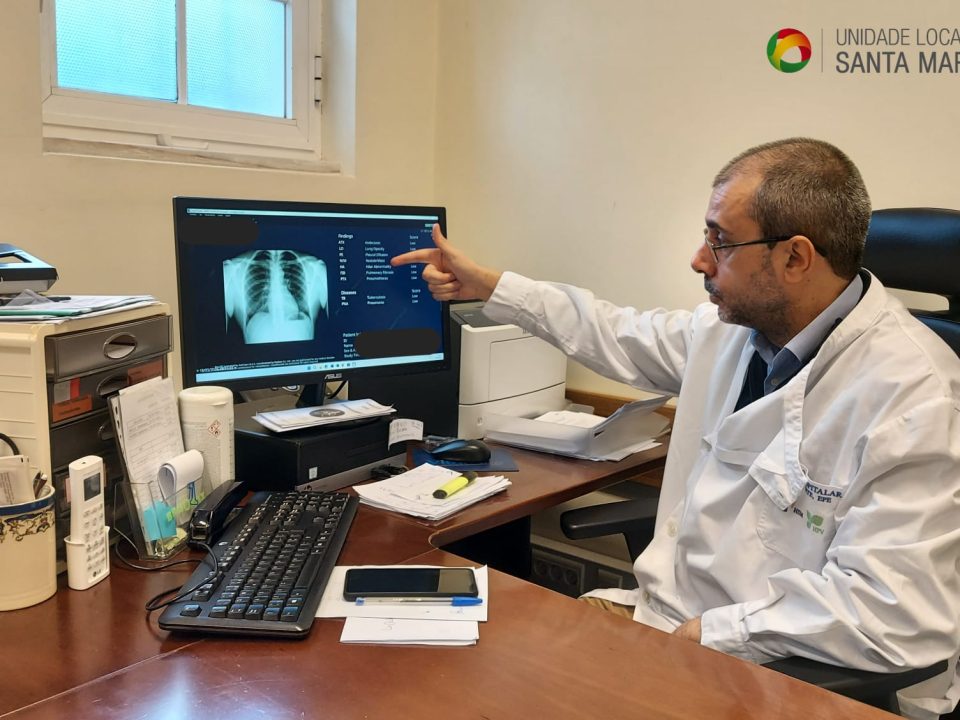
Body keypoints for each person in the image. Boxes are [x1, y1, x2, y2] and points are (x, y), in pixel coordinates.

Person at [391, 138, 960, 719]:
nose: (699, 260)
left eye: (720, 241)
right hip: (670, 626)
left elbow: (894, 613)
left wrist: (709, 634)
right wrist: (490, 286)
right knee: (472, 671)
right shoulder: (729, 333)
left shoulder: (914, 392)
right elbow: (612, 331)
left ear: (795, 258)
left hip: (778, 675)